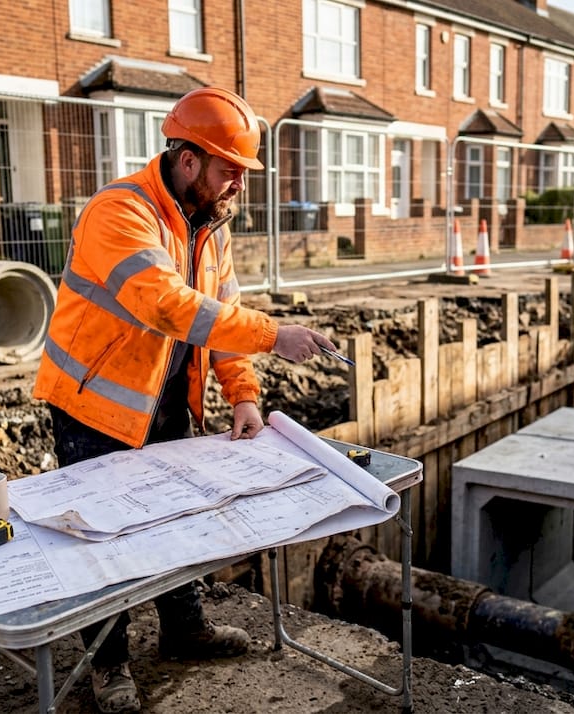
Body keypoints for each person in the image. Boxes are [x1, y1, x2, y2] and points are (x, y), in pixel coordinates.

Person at [33, 86, 338, 714]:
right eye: (231, 170)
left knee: (178, 524)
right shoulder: (120, 212)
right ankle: (108, 665)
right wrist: (275, 335)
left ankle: (184, 628)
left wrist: (244, 395)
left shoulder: (210, 229)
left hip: (167, 402)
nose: (237, 186)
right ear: (190, 159)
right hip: (95, 407)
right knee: (104, 540)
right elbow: (169, 305)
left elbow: (218, 319)